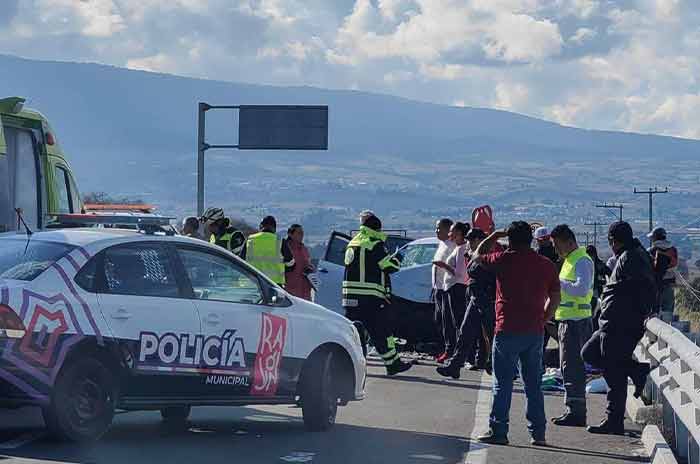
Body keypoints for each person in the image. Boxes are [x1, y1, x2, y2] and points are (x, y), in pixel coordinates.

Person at [473, 221, 561, 446]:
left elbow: (476, 255)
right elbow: (555, 296)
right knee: (533, 385)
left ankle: (499, 430)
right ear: (531, 239)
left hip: (507, 329)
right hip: (534, 331)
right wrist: (544, 318)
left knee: (502, 384)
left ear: (509, 240)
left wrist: (494, 235)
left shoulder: (503, 260)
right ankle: (538, 433)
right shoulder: (546, 264)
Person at [581, 221, 655, 435]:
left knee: (614, 373)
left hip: (620, 324)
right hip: (612, 322)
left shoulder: (632, 257)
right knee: (590, 353)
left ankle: (614, 420)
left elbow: (639, 289)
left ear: (614, 240)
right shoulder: (632, 254)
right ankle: (636, 370)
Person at [342, 212, 413, 376]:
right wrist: (398, 257)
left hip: (349, 297)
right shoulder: (374, 244)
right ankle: (393, 364)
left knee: (354, 333)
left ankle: (350, 366)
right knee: (381, 331)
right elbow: (390, 267)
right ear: (377, 228)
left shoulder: (353, 242)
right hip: (370, 298)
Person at [550, 225, 594, 427]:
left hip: (576, 322)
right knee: (567, 367)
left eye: (557, 245)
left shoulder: (582, 261)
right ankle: (572, 409)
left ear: (569, 241)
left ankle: (576, 412)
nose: (556, 250)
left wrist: (558, 284)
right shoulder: (570, 260)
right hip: (568, 320)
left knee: (573, 368)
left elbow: (581, 289)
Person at [437, 227, 496, 379]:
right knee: (465, 333)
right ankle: (455, 365)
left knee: (492, 335)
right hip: (475, 299)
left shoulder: (487, 256)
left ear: (479, 241)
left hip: (487, 300)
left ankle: (496, 363)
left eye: (471, 240)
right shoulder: (472, 255)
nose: (469, 243)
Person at [243, 216, 295, 286]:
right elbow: (291, 263)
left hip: (252, 284)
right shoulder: (280, 241)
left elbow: (240, 260)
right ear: (275, 228)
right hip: (274, 285)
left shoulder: (250, 239)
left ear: (261, 226)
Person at [432, 218, 456, 363]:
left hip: (447, 288)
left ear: (448, 230)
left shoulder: (452, 246)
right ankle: (443, 348)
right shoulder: (441, 244)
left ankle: (450, 349)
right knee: (439, 320)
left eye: (439, 228)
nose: (437, 231)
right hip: (437, 288)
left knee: (448, 322)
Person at [648, 227, 678, 315]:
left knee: (654, 314)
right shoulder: (673, 250)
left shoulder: (651, 251)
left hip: (655, 286)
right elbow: (675, 264)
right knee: (668, 315)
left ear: (655, 238)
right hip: (669, 286)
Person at [284, 224, 314, 300]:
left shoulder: (304, 249)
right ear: (290, 234)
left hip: (305, 291)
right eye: (299, 233)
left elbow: (307, 264)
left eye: (302, 233)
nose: (302, 235)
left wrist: (310, 268)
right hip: (291, 290)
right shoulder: (285, 248)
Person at [586, 245, 612, 330]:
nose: (591, 257)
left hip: (596, 293)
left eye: (592, 255)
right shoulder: (584, 264)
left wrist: (603, 282)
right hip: (585, 294)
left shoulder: (599, 264)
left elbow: (610, 273)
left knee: (596, 313)